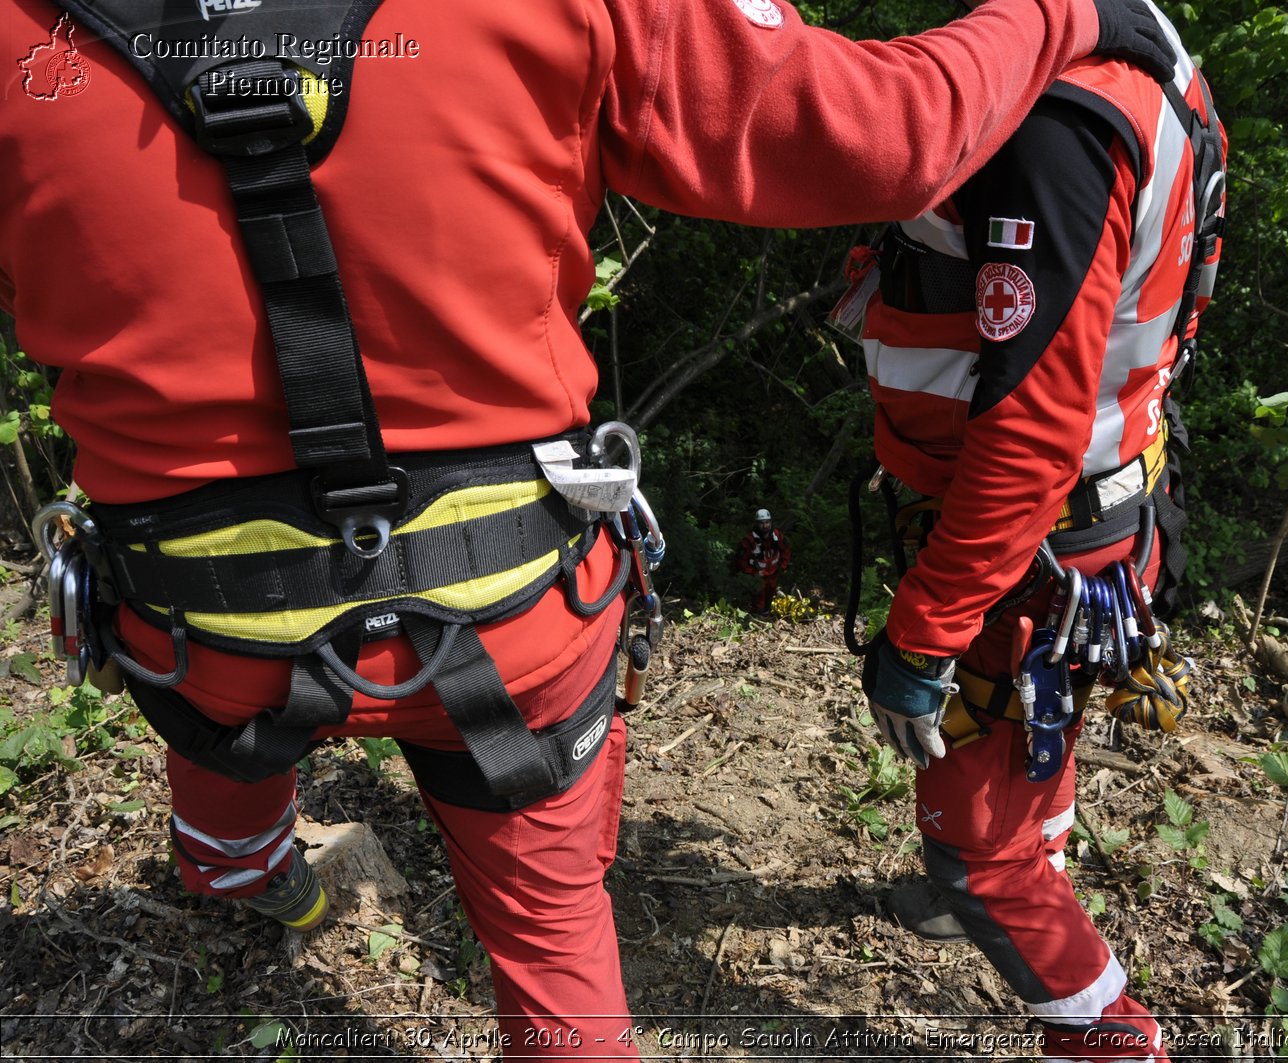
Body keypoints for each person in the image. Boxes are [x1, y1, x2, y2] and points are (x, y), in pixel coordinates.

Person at [4, 0, 1178, 1055]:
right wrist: (1057, 10)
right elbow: (887, 135)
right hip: (504, 614)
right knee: (553, 932)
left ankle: (234, 865)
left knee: (220, 689)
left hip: (195, 619)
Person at [851, 0, 1225, 1059]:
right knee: (1029, 758)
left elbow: (1027, 434)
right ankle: (1033, 861)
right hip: (1094, 519)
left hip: (1029, 547)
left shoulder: (1059, 125)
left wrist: (923, 634)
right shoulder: (1135, 45)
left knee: (975, 849)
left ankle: (1106, 1035)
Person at [734, 508, 791, 612]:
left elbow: (785, 550)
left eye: (767, 522)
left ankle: (769, 615)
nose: (765, 526)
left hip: (774, 574)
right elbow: (741, 560)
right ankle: (758, 617)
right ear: (756, 524)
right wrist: (753, 572)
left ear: (770, 522)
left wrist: (783, 565)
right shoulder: (749, 540)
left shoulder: (777, 535)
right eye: (761, 523)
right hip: (758, 576)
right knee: (759, 603)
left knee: (773, 601)